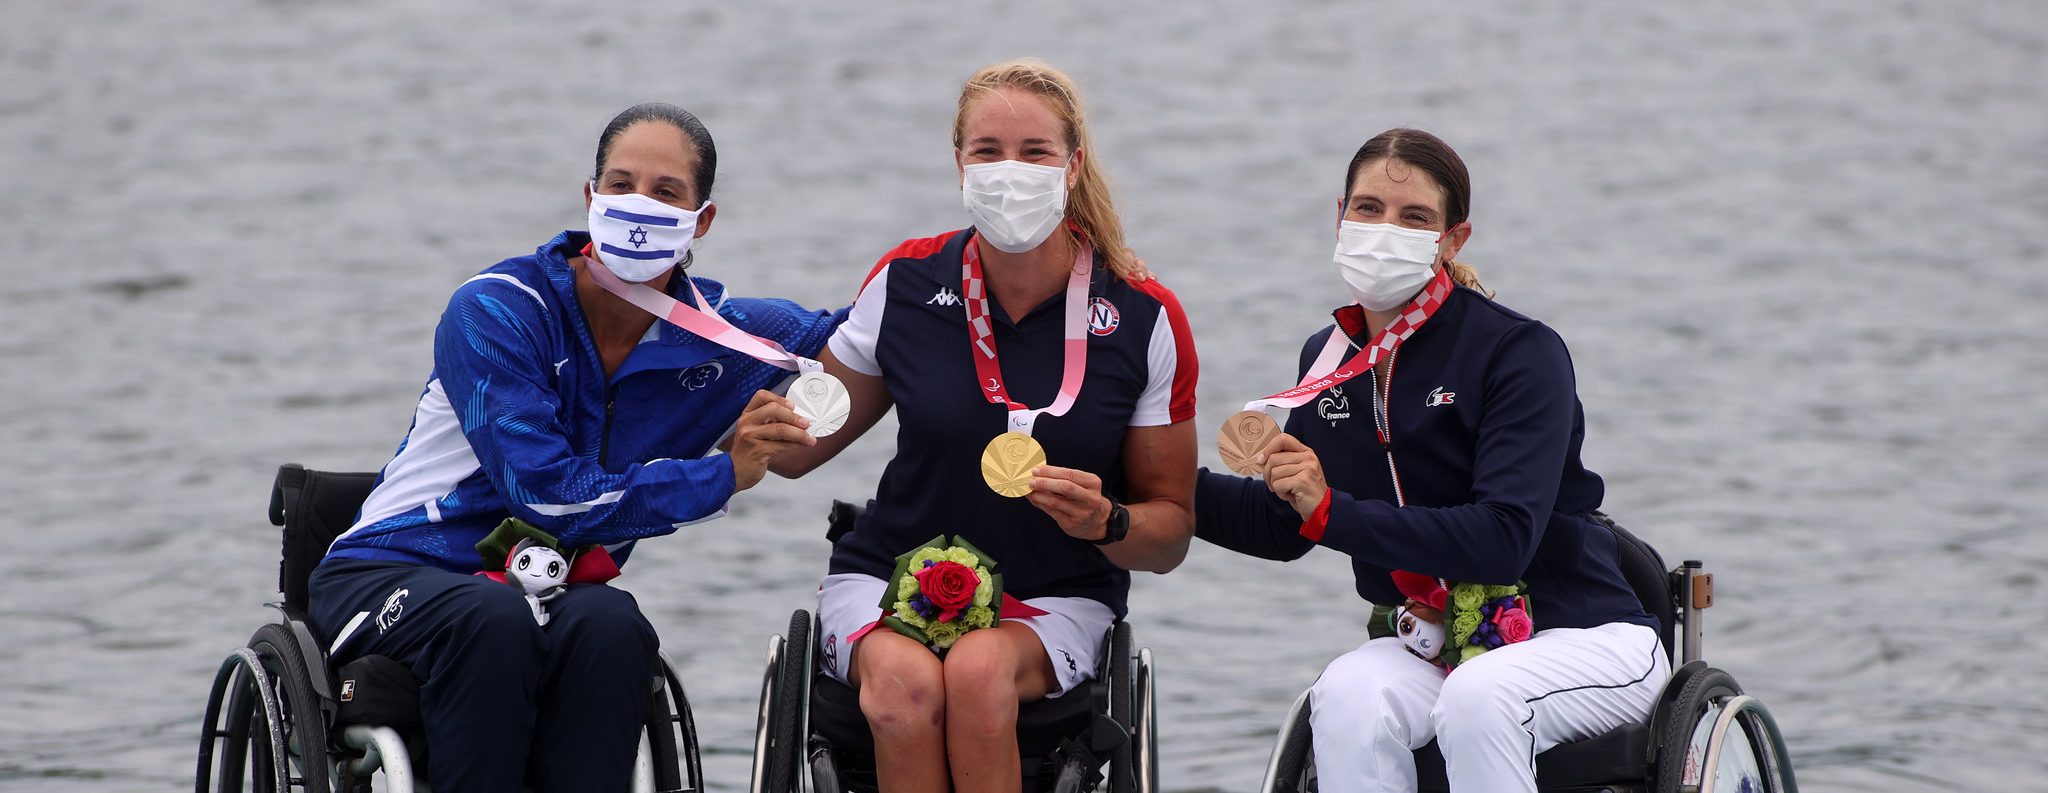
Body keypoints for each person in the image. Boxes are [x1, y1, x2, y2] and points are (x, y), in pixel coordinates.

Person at [306, 103, 837, 792]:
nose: (638, 205)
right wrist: (721, 475)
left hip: (545, 588)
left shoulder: (727, 338)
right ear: (590, 198)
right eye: (620, 185)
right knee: (490, 619)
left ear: (702, 219)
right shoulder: (498, 308)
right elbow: (548, 496)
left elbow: (880, 328)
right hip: (391, 570)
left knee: (614, 623)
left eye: (666, 191)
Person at [769, 59, 1199, 793]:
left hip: (1058, 592)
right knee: (904, 687)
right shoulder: (904, 283)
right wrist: (715, 387)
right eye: (987, 151)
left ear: (1073, 166)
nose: (1010, 171)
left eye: (1034, 152)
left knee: (976, 671)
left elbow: (1170, 533)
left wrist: (1107, 519)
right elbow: (794, 453)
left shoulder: (1142, 316)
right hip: (888, 574)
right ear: (959, 164)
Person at [1194, 128, 1668, 793]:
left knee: (1480, 697)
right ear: (1339, 216)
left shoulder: (1519, 352)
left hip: (1585, 634)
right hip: (1441, 645)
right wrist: (1144, 488)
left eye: (1413, 216)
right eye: (1367, 208)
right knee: (1349, 691)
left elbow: (1502, 539)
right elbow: (1283, 523)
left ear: (1453, 239)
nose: (1384, 228)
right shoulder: (1327, 358)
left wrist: (1330, 509)